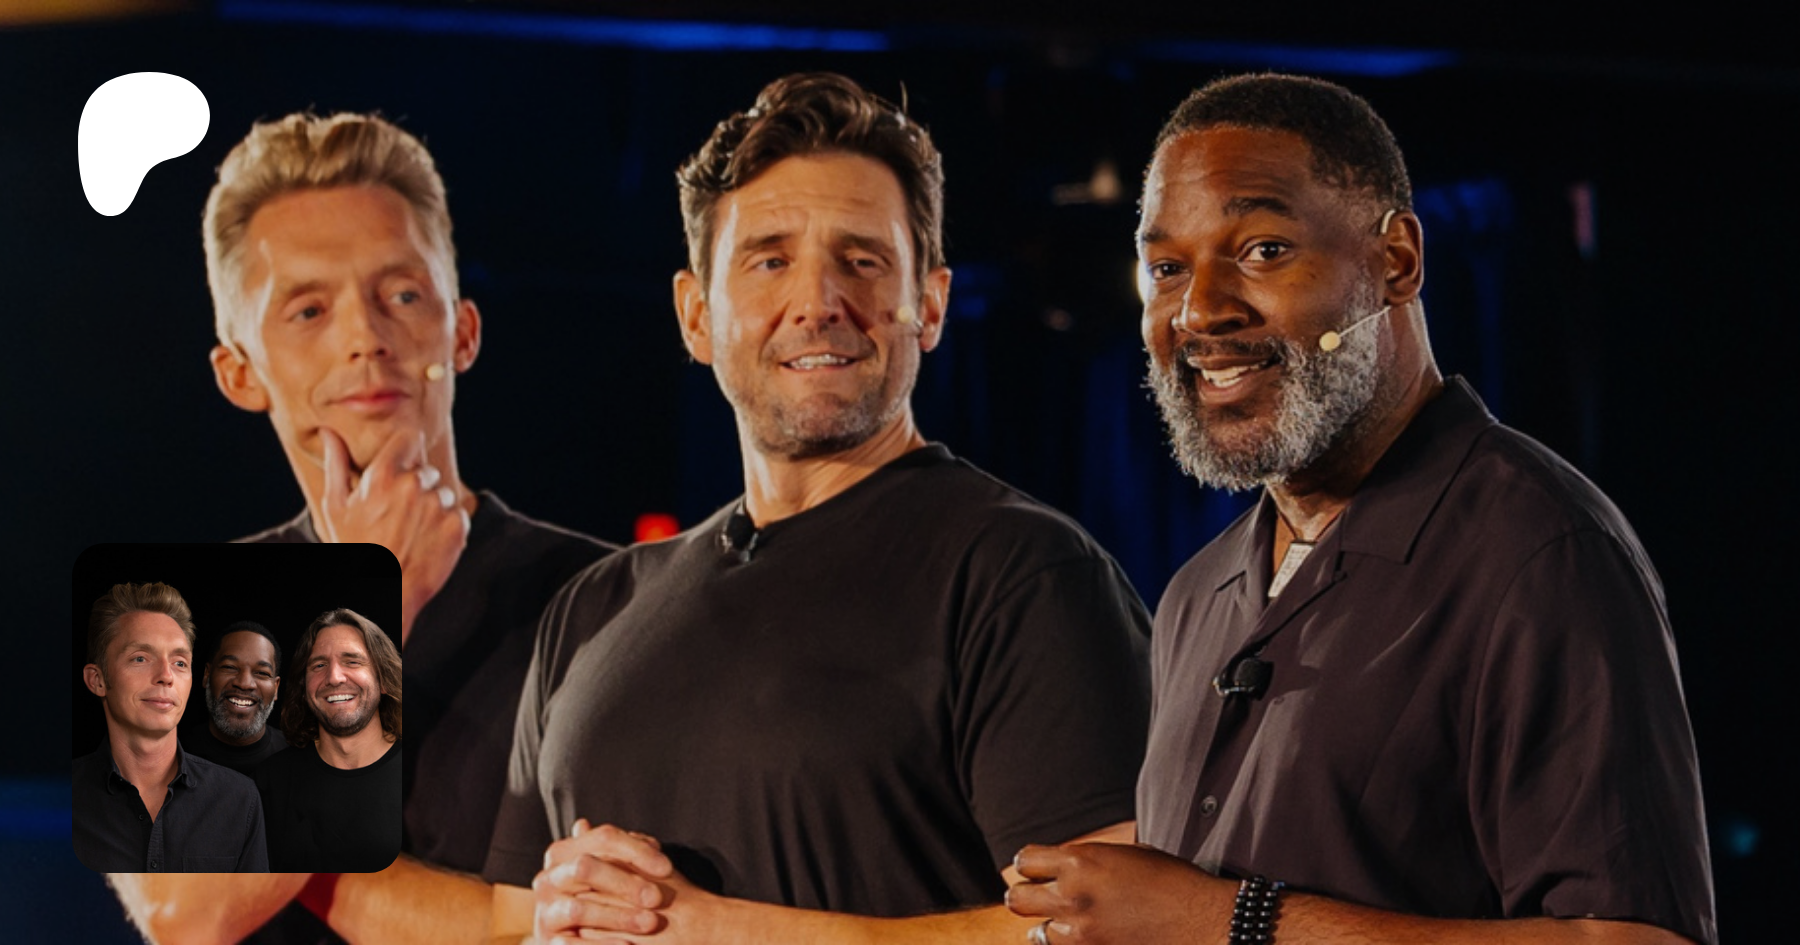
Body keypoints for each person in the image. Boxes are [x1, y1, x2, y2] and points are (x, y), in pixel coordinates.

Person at [1004, 73, 1716, 945]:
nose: (1200, 311)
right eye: (1167, 268)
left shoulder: (1541, 553)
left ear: (1397, 261)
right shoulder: (1197, 594)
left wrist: (1222, 919)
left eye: (1263, 249)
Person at [492, 72, 1150, 945]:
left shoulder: (1024, 575)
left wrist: (721, 934)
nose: (818, 302)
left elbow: (1113, 931)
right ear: (695, 314)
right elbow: (504, 923)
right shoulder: (592, 608)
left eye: (863, 260)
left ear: (931, 305)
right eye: (769, 260)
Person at [108, 111, 612, 945]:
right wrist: (380, 591)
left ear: (463, 330)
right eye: (308, 310)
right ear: (240, 372)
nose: (365, 337)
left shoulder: (611, 596)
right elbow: (186, 910)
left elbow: (621, 916)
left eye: (402, 295)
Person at [74, 582, 268, 873]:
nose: (166, 675)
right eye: (140, 658)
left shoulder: (239, 800)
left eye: (179, 663)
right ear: (97, 680)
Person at [255, 608, 402, 872]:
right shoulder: (269, 783)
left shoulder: (428, 777)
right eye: (319, 665)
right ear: (304, 687)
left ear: (384, 680)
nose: (334, 677)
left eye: (352, 662)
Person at [184, 620, 288, 777]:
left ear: (276, 687)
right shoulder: (177, 753)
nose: (244, 683)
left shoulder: (296, 760)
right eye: (230, 667)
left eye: (262, 673)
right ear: (207, 675)